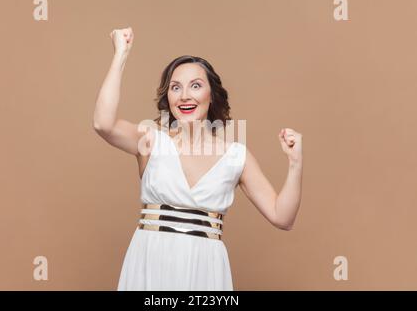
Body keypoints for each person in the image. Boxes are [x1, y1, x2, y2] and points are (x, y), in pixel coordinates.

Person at [93, 27, 304, 290]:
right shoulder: (151, 140)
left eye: (195, 86)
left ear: (211, 94)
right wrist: (120, 55)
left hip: (205, 269)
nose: (184, 96)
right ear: (167, 97)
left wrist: (295, 163)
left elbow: (282, 217)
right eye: (175, 87)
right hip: (150, 260)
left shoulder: (236, 157)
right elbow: (103, 124)